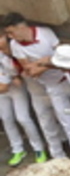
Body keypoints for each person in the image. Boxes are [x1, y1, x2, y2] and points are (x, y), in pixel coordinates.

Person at [3, 12, 70, 164]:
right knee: (68, 124)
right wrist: (50, 62)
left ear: (21, 27)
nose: (10, 36)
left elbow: (62, 56)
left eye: (11, 32)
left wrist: (43, 64)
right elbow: (30, 70)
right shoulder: (15, 45)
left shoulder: (45, 33)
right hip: (53, 87)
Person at [0, 34, 45, 166]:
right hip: (3, 90)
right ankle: (17, 149)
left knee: (23, 118)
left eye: (3, 48)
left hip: (16, 90)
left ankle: (38, 148)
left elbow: (19, 77)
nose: (2, 51)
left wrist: (13, 78)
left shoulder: (18, 56)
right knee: (6, 119)